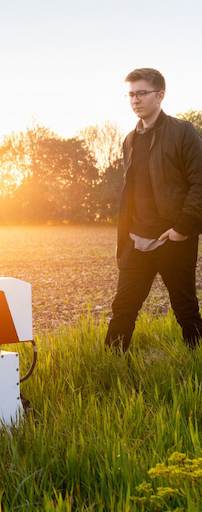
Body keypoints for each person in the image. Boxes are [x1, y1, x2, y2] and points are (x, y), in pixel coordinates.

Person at [105, 68, 202, 351]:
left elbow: (200, 181)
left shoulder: (183, 132)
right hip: (136, 240)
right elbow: (131, 194)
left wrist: (182, 229)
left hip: (173, 238)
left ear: (160, 95)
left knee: (185, 308)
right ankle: (111, 365)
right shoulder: (130, 140)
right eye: (131, 94)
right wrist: (124, 241)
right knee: (123, 307)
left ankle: (196, 360)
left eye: (142, 93)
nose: (135, 100)